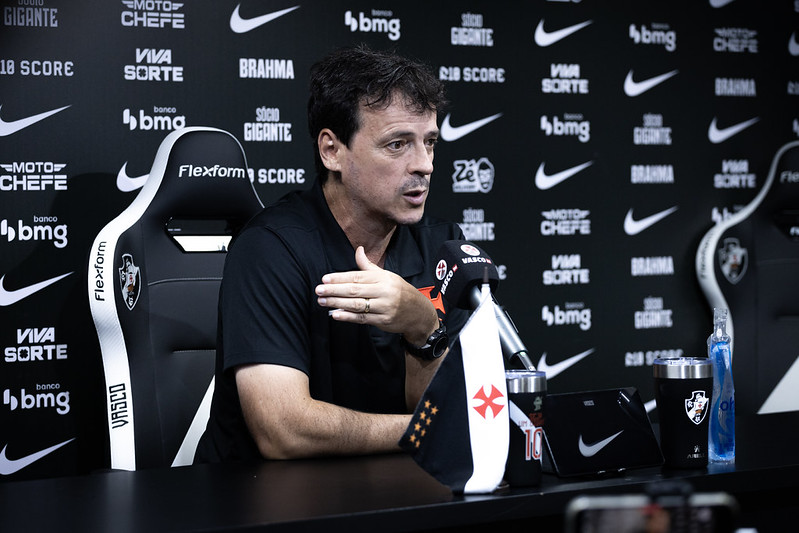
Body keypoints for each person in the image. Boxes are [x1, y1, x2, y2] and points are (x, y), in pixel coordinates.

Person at [194, 45, 469, 463]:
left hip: (395, 497)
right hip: (262, 507)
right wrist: (424, 429)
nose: (424, 165)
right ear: (331, 151)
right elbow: (283, 431)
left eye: (429, 142)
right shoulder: (270, 247)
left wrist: (423, 328)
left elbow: (460, 408)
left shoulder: (443, 248)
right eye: (397, 145)